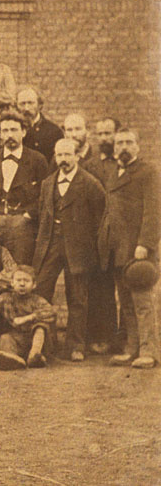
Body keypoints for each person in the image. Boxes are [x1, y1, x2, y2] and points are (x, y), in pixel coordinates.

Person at [30, 137, 105, 361]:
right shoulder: (47, 183)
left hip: (79, 248)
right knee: (41, 292)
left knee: (78, 297)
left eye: (67, 155)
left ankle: (76, 346)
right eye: (59, 155)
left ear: (77, 156)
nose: (63, 160)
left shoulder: (91, 184)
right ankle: (46, 345)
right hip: (51, 244)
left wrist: (90, 245)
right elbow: (43, 215)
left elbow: (100, 219)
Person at [98, 128, 158, 369]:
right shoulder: (113, 172)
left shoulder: (148, 172)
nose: (123, 147)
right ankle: (131, 349)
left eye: (128, 142)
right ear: (114, 148)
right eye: (119, 142)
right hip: (116, 248)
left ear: (137, 146)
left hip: (137, 249)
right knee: (125, 303)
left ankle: (149, 351)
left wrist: (145, 243)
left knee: (142, 302)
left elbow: (154, 212)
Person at [0, 111, 49, 265]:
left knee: (20, 272)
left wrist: (28, 215)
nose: (10, 135)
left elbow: (45, 195)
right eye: (5, 130)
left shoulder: (37, 160)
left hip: (23, 226)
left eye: (14, 130)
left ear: (23, 132)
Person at [16, 86, 63, 161]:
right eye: (22, 104)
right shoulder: (11, 130)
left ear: (39, 105)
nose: (26, 108)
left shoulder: (54, 132)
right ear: (16, 106)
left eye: (30, 103)